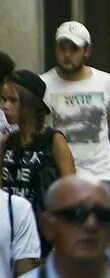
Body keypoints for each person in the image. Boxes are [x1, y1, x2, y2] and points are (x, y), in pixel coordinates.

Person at [41, 21, 110, 209]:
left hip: (100, 176)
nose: (67, 54)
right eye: (62, 47)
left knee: (104, 233)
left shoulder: (106, 82)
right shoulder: (43, 84)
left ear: (86, 51)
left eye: (74, 48)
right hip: (60, 177)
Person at [3, 70, 75, 216]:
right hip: (10, 222)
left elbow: (72, 190)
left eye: (12, 100)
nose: (5, 106)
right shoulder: (8, 141)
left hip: (43, 226)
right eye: (3, 99)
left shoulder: (53, 140)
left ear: (29, 102)